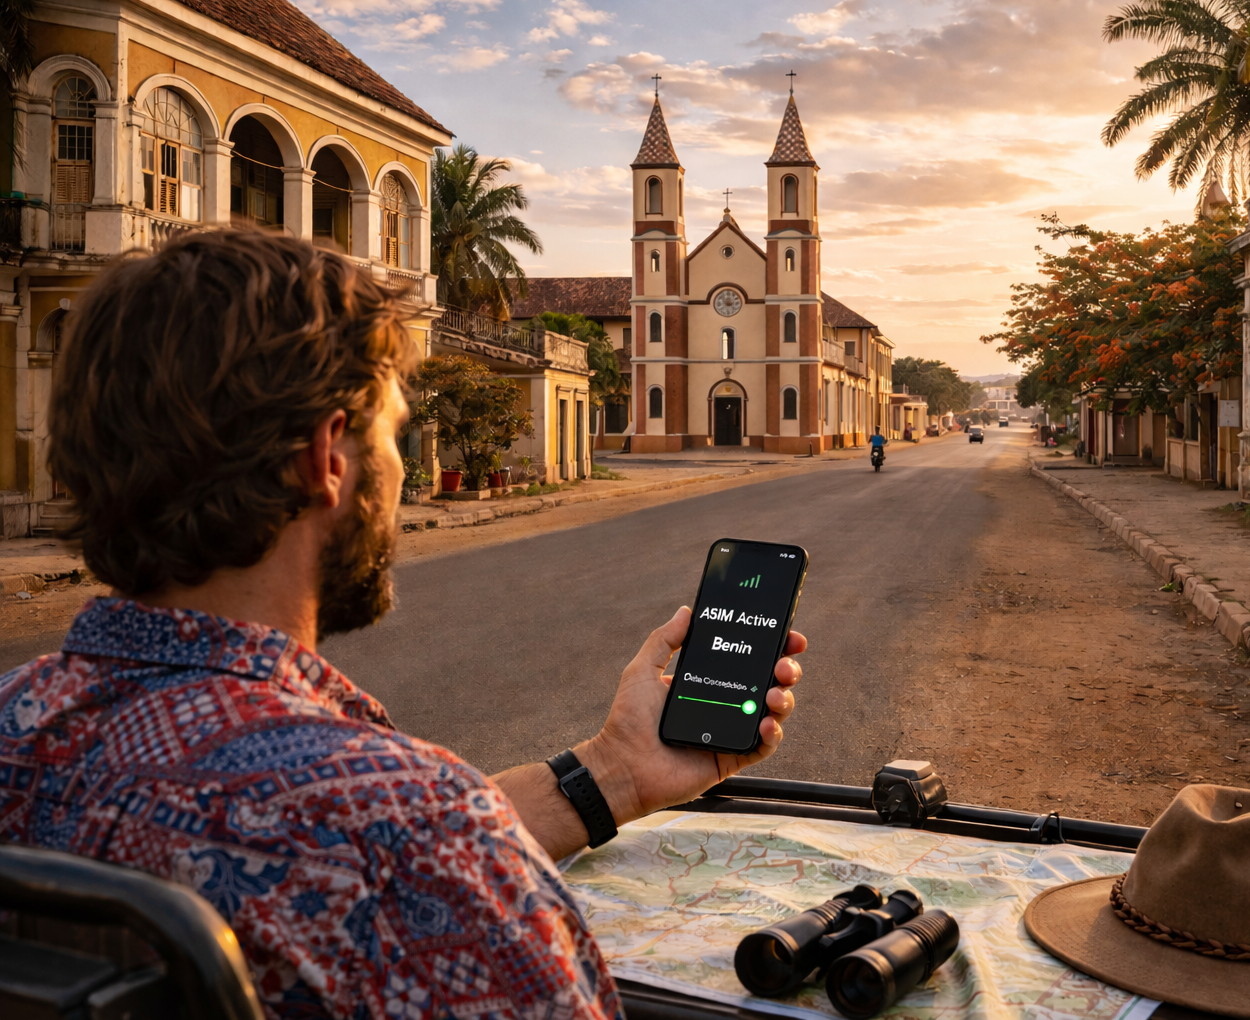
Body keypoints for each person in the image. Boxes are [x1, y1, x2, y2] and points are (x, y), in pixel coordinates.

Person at [0, 229, 807, 1020]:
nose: (399, 467)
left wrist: (615, 772)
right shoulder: (409, 831)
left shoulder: (15, 725)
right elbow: (399, 853)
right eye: (392, 431)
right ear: (326, 459)